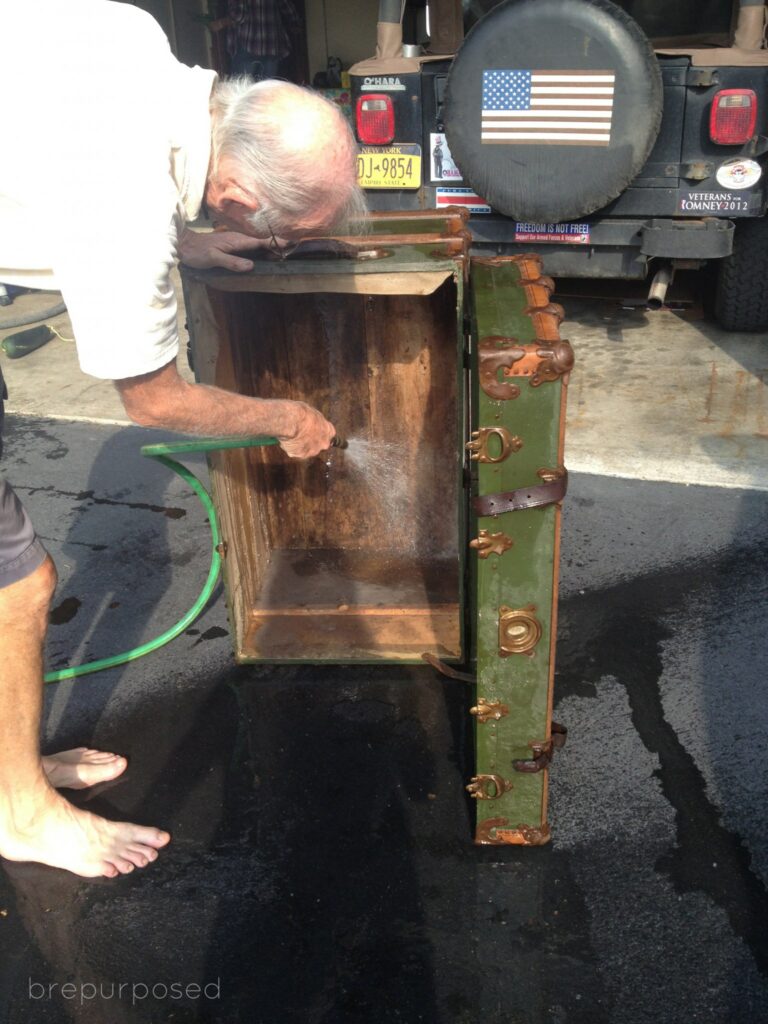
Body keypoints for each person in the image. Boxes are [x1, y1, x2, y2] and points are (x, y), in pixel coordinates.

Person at [0, 0, 366, 879]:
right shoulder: (127, 212)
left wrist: (188, 240)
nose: (273, 246)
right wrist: (287, 417)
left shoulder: (132, 35)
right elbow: (157, 401)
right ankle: (19, 811)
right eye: (280, 233)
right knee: (17, 584)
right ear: (239, 191)